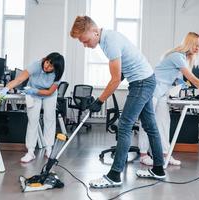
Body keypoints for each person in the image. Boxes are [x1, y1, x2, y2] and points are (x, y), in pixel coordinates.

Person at [70, 15, 165, 188]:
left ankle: (115, 175)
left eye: (85, 40)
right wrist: (102, 97)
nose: (85, 45)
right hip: (145, 80)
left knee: (124, 125)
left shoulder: (110, 42)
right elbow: (121, 73)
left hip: (141, 83)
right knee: (150, 126)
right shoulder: (107, 39)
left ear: (94, 31)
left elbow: (115, 80)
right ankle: (159, 169)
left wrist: (99, 100)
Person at [138, 32, 199, 166]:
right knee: (147, 122)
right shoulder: (177, 56)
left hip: (162, 93)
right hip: (151, 90)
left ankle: (165, 154)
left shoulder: (184, 58)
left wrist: (178, 82)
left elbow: (172, 77)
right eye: (196, 45)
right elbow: (195, 80)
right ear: (189, 43)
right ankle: (143, 155)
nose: (198, 49)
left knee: (164, 124)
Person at [0, 52, 65, 163]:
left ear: (56, 69)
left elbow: (49, 91)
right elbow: (19, 79)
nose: (47, 66)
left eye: (51, 66)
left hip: (48, 95)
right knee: (33, 120)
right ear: (45, 59)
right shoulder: (36, 65)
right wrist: (5, 89)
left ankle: (49, 148)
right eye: (47, 62)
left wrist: (35, 90)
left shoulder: (57, 74)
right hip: (33, 94)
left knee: (49, 119)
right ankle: (30, 152)